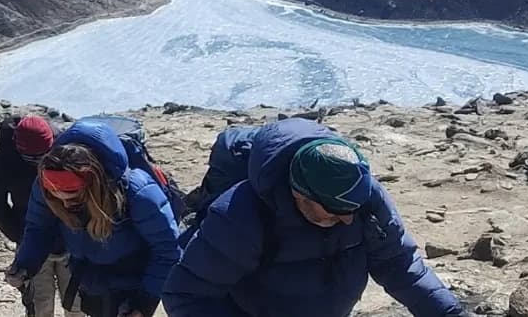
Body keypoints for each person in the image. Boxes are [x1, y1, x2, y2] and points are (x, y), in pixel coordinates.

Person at [162, 118, 466, 317]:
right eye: (334, 212)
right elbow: (186, 294)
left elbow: (400, 266)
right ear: (300, 196)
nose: (348, 221)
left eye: (352, 212)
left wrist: (449, 313)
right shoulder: (240, 215)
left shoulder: (362, 196)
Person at [7, 119, 182, 317]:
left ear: (94, 183)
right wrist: (25, 265)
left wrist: (144, 303)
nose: (65, 205)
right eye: (57, 198)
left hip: (134, 285)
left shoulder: (139, 193)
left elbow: (168, 250)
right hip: (89, 279)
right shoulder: (47, 183)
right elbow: (39, 227)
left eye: (73, 198)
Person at [0, 115, 83, 317]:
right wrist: (20, 235)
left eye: (43, 156)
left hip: (71, 240)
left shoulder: (67, 151)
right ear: (18, 148)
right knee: (39, 305)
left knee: (77, 304)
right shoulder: (3, 161)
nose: (38, 163)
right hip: (30, 240)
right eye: (31, 159)